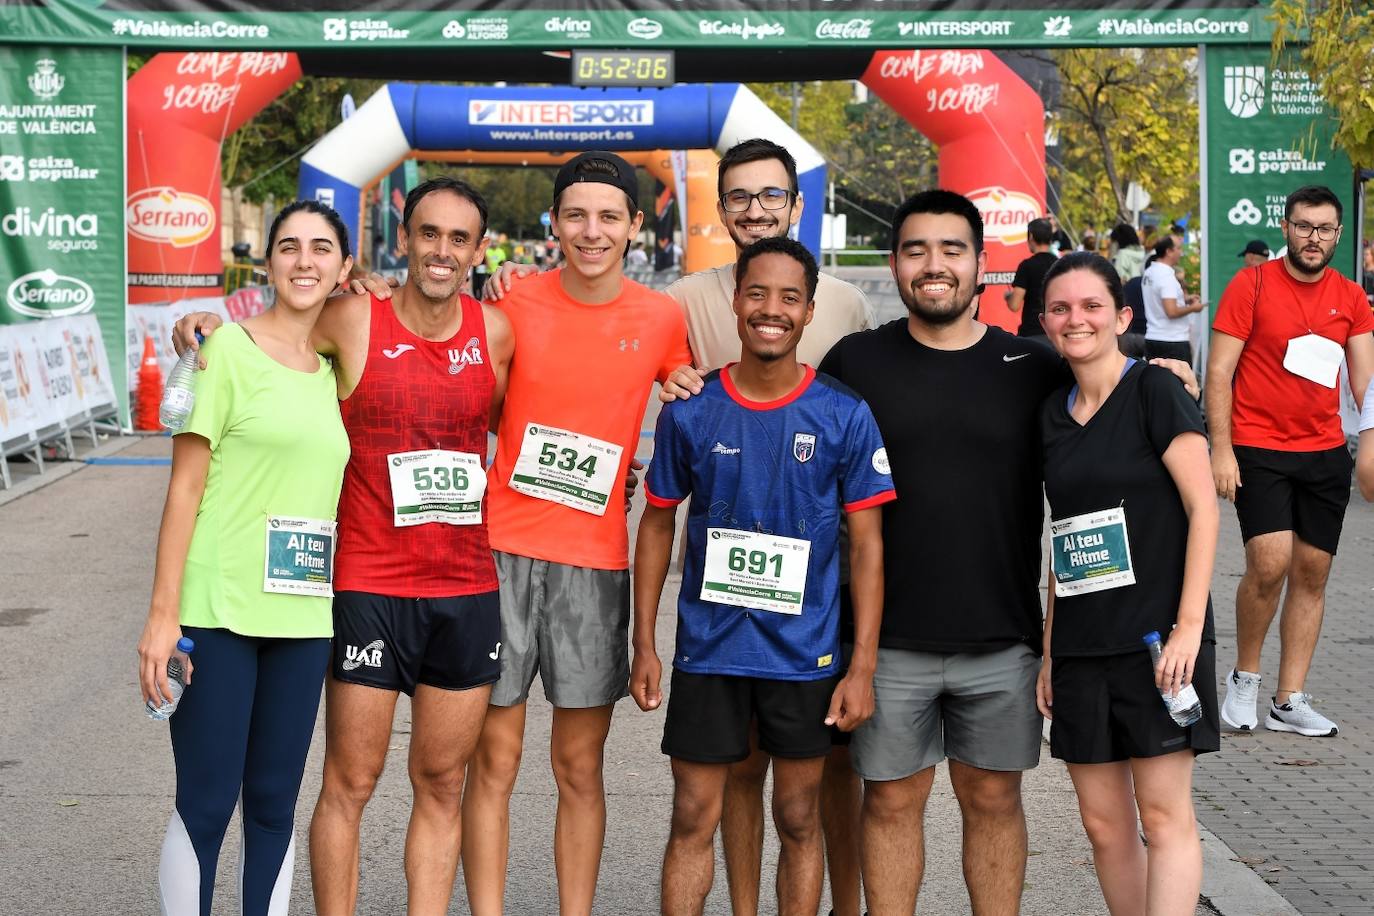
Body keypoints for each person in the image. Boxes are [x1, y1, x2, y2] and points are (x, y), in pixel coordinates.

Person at [660, 190, 1200, 915]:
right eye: (916, 250)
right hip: (887, 646)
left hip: (1001, 639)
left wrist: (1163, 370)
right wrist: (684, 380)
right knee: (889, 803)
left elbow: (1101, 375)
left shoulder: (1032, 366)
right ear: (895, 263)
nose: (934, 264)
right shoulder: (858, 363)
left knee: (993, 800)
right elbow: (775, 400)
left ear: (981, 266)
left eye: (952, 249)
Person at [173, 178, 515, 916]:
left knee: (444, 783)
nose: (443, 251)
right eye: (430, 234)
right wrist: (209, 321)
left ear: (479, 250)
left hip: (464, 590)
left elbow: (517, 428)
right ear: (405, 237)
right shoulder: (352, 319)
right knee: (349, 785)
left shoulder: (496, 333)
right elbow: (277, 327)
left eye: (460, 239)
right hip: (368, 589)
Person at [460, 151, 693, 916]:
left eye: (608, 216)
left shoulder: (662, 319)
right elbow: (480, 406)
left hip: (595, 563)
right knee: (490, 760)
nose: (591, 231)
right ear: (554, 222)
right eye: (576, 215)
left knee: (578, 767)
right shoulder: (510, 304)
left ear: (634, 226)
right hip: (499, 552)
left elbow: (684, 389)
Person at [632, 236, 894, 915]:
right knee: (693, 814)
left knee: (799, 817)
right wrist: (644, 642)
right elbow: (658, 521)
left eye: (788, 298)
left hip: (805, 658)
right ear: (735, 302)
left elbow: (867, 546)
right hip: (710, 652)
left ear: (809, 312)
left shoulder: (844, 413)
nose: (770, 310)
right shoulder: (690, 408)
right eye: (757, 294)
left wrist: (861, 664)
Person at [139, 200, 354, 915]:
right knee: (205, 804)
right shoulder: (221, 351)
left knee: (272, 807)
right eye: (289, 246)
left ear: (344, 268)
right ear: (267, 262)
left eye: (322, 248)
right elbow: (184, 489)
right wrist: (160, 620)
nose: (304, 260)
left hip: (301, 620)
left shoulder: (333, 368)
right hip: (218, 611)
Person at [1035, 252, 1219, 916]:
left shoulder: (1156, 391)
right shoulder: (1051, 415)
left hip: (1161, 644)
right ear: (1045, 321)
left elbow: (1204, 510)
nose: (1074, 319)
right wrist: (1054, 652)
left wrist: (1189, 630)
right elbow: (1067, 538)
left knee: (1163, 818)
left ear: (1122, 317)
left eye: (1090, 306)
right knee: (1104, 825)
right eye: (1060, 307)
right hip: (1085, 647)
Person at [1208, 184, 1374, 738]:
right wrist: (1221, 448)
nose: (1314, 238)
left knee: (1312, 572)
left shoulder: (1351, 297)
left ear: (1339, 234)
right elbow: (1219, 373)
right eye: (1304, 226)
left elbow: (1366, 383)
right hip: (1259, 447)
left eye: (1325, 228)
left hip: (1325, 452)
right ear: (1286, 227)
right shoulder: (1251, 283)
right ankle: (1245, 680)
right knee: (1269, 562)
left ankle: (1288, 700)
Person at [1141, 237, 1205, 364]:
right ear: (1169, 251)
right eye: (1179, 248)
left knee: (1154, 382)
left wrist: (1185, 299)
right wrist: (1194, 308)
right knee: (1179, 383)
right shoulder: (1165, 276)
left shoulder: (1149, 272)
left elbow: (1160, 299)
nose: (1181, 253)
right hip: (1172, 342)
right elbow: (1171, 311)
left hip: (1153, 337)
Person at [1007, 217, 1058, 342]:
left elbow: (1014, 305)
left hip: (1032, 334)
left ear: (1031, 236)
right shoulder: (1060, 265)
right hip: (1056, 333)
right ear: (1050, 238)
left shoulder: (1027, 266)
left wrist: (1008, 296)